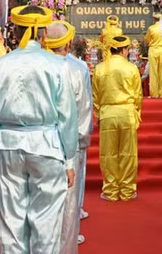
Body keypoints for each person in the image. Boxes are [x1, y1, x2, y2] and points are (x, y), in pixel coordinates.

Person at [0, 6, 78, 254]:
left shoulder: (0, 65)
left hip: (9, 144)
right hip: (46, 145)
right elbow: (67, 116)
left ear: (15, 32)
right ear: (44, 33)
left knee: (11, 221)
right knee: (46, 222)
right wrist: (69, 159)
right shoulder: (58, 65)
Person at [44, 20, 92, 253]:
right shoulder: (77, 68)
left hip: (41, 140)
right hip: (69, 141)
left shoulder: (37, 66)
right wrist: (81, 142)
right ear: (69, 43)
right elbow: (83, 110)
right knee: (68, 198)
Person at [92, 33, 142, 201]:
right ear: (124, 50)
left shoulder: (100, 68)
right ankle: (127, 190)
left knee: (108, 154)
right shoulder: (131, 68)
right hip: (127, 112)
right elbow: (138, 95)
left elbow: (95, 96)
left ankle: (111, 190)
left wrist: (98, 114)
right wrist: (137, 112)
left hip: (107, 113)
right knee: (128, 153)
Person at [144, 13, 162, 98]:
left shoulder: (151, 28)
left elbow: (147, 40)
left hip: (153, 50)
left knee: (153, 72)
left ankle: (154, 93)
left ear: (154, 19)